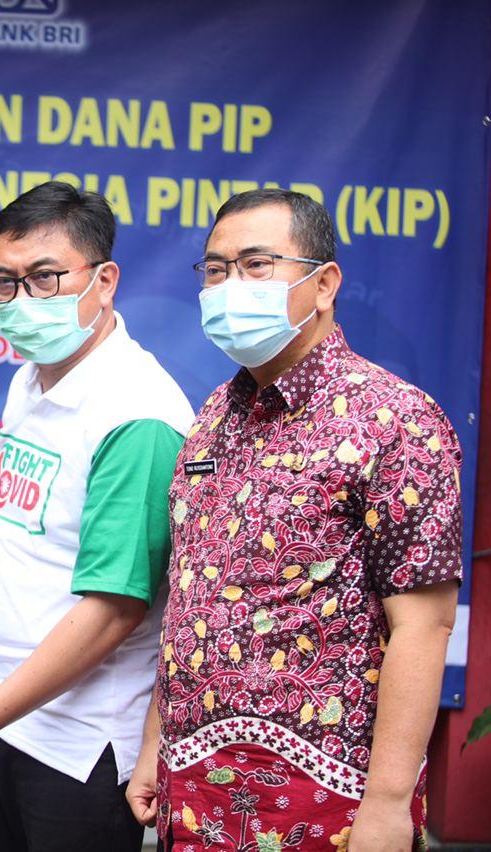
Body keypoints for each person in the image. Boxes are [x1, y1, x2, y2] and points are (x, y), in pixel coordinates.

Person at [126, 189, 462, 851]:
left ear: (325, 283)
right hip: (194, 792)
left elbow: (424, 626)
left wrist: (388, 806)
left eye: (256, 265)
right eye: (215, 270)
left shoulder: (395, 422)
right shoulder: (213, 418)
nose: (230, 286)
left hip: (328, 805)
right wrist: (153, 743)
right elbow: (190, 599)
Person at [0, 181, 194, 851]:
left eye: (45, 278)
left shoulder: (136, 416)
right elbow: (26, 516)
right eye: (5, 282)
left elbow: (114, 609)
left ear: (104, 281)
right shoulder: (34, 374)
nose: (23, 300)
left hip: (74, 748)